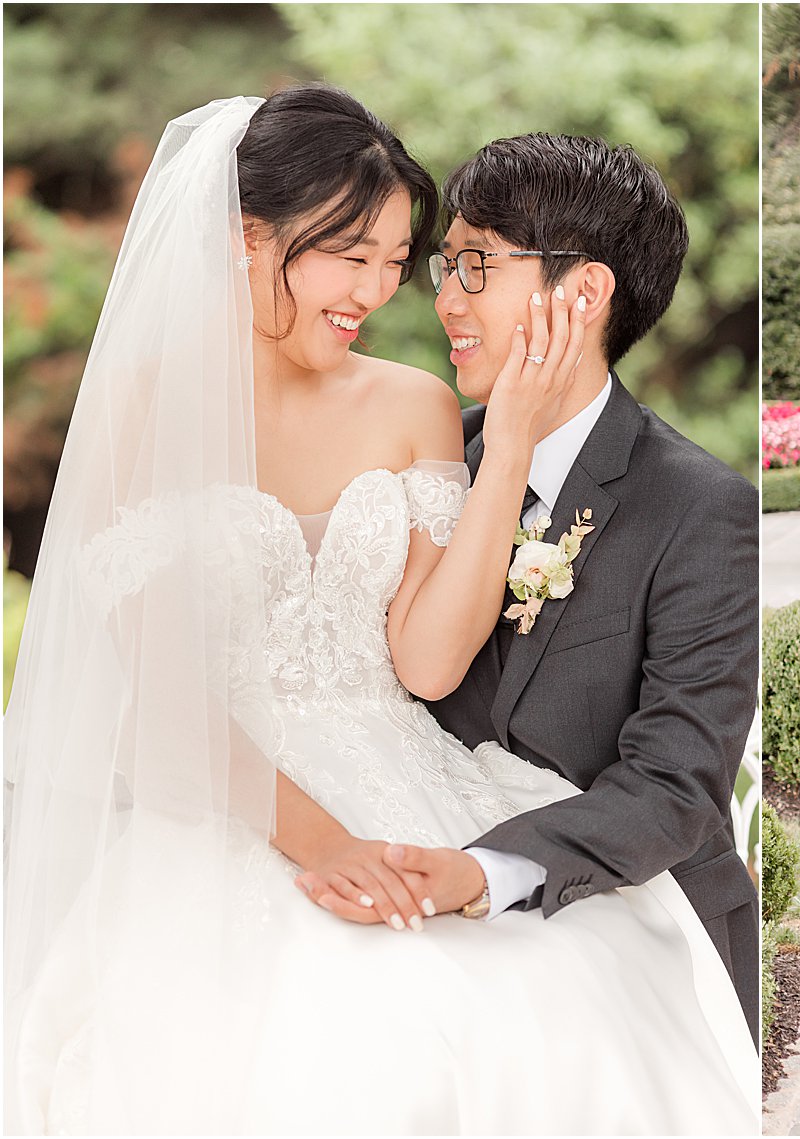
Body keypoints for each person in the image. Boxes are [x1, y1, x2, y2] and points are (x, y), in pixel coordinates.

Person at [4, 87, 756, 1135]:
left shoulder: (417, 405)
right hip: (222, 804)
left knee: (525, 1008)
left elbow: (429, 664)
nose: (388, 289)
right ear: (246, 239)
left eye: (400, 260)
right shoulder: (141, 407)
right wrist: (323, 843)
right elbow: (165, 701)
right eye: (351, 255)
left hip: (407, 781)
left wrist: (504, 456)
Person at [304, 130, 762, 1045]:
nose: (442, 302)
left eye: (473, 266)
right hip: (414, 906)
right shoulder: (426, 461)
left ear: (582, 292)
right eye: (444, 267)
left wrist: (482, 875)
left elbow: (676, 785)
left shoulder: (706, 511)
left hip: (628, 922)